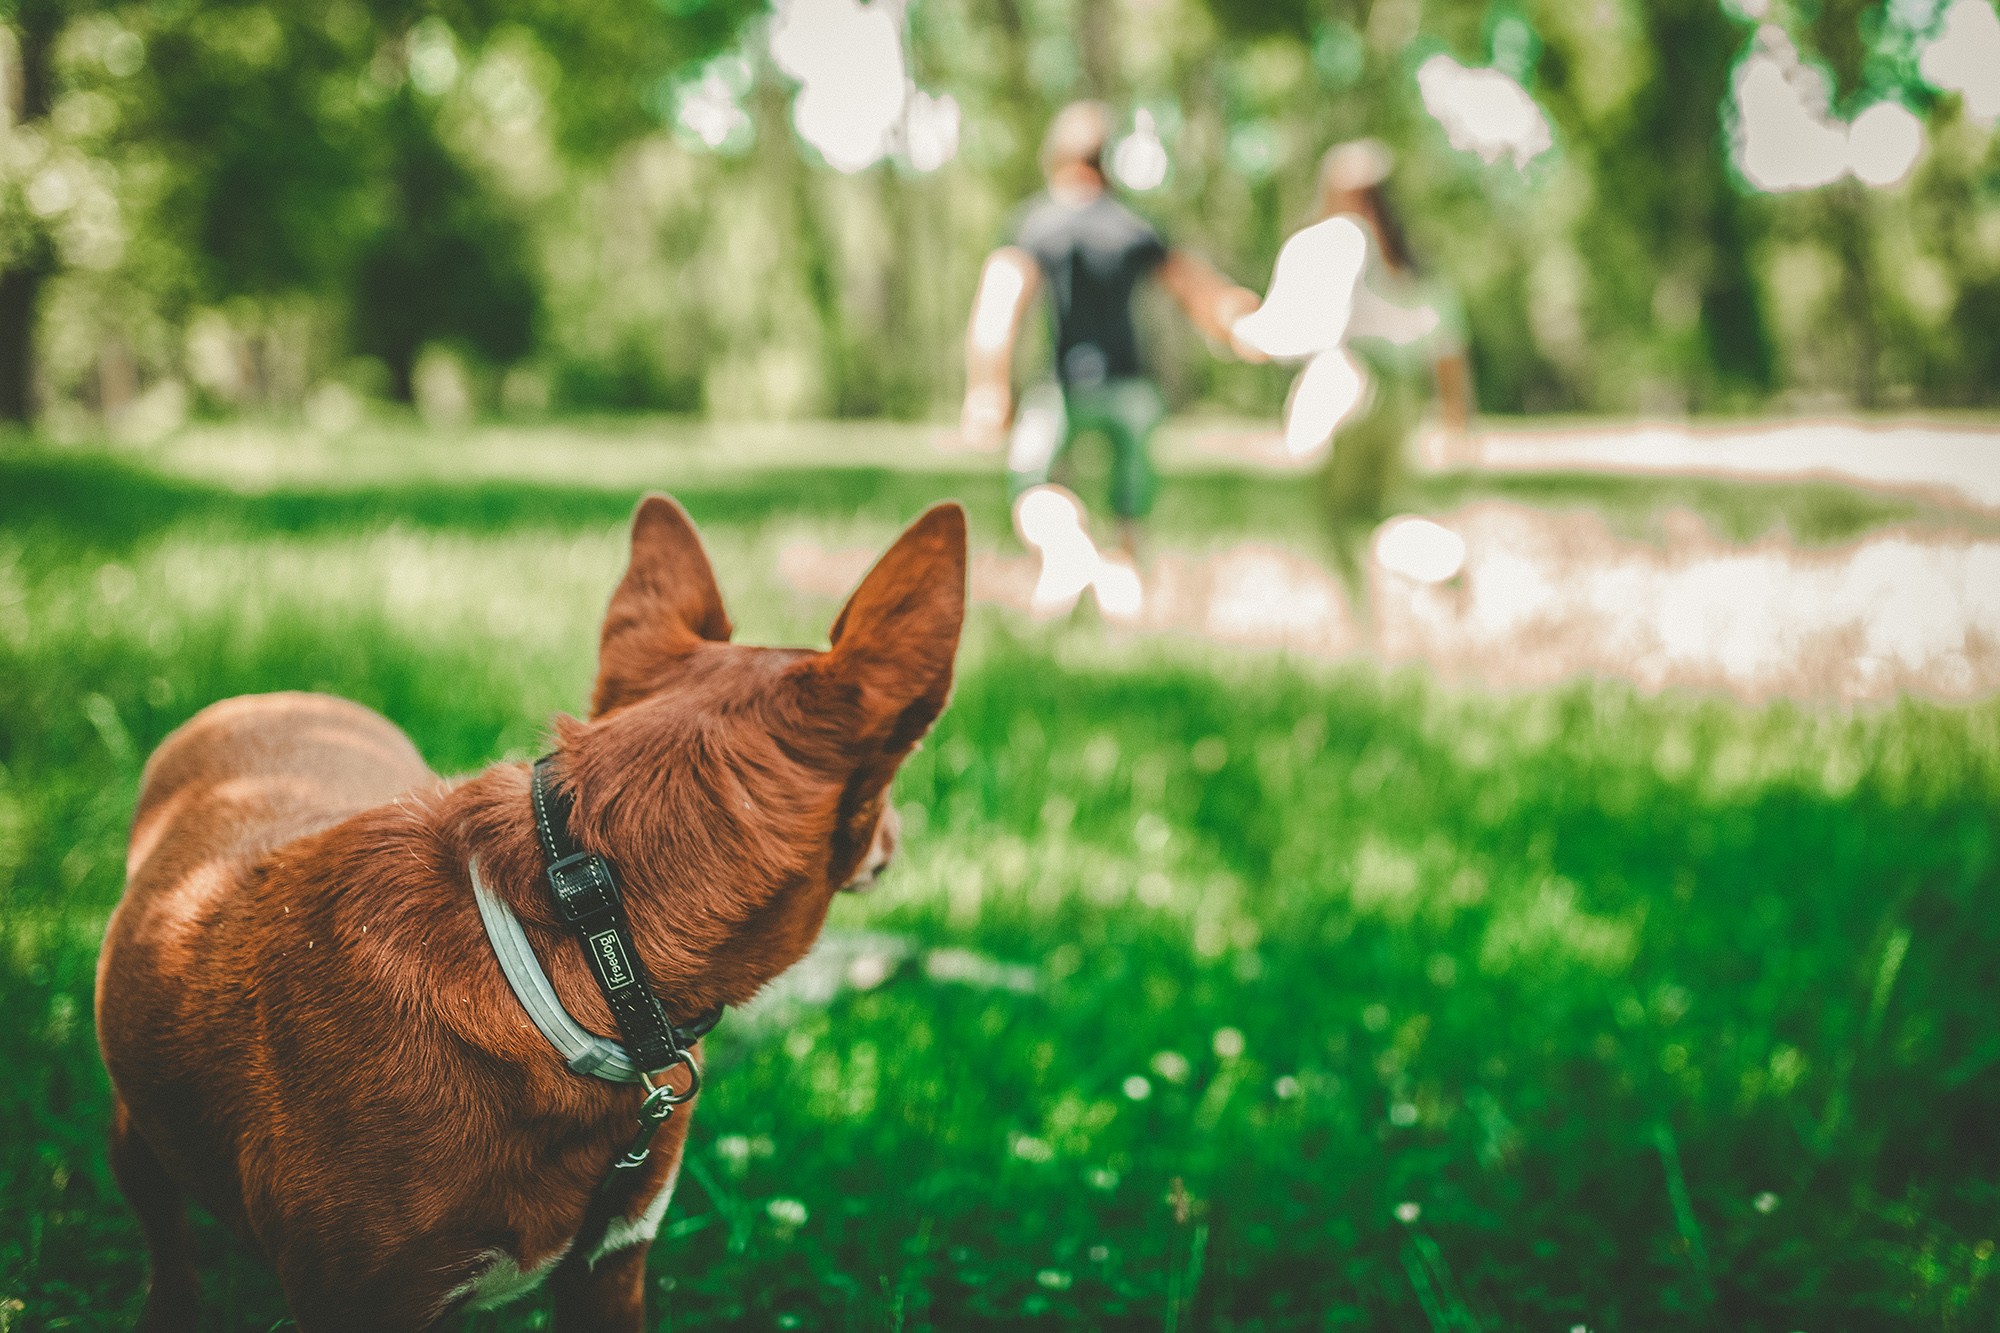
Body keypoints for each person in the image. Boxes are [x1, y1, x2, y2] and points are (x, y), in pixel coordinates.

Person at [961, 101, 1262, 614]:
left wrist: (987, 389)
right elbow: (1198, 291)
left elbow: (998, 308)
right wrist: (1242, 329)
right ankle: (1122, 586)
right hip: (1132, 390)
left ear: (1055, 158)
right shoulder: (1134, 225)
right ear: (1108, 163)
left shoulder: (1036, 223)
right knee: (1130, 505)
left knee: (1034, 486)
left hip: (1061, 387)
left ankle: (1068, 549)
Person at [1310, 139, 1475, 521]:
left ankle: (1380, 573)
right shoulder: (1415, 265)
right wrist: (1457, 417)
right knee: (1383, 507)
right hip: (1400, 394)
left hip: (1356, 381)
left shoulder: (1344, 256)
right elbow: (1447, 345)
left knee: (1341, 512)